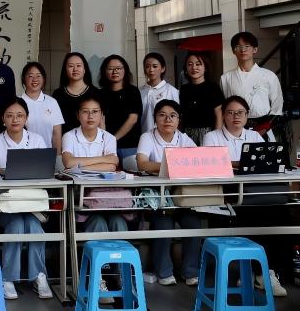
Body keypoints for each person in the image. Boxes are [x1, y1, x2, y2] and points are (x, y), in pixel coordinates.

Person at [202, 96, 287, 297]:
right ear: (223, 115)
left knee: (278, 216)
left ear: (247, 115)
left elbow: (265, 163)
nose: (236, 116)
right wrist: (240, 163)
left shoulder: (254, 136)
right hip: (227, 192)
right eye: (230, 113)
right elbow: (213, 164)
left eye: (240, 112)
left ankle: (265, 272)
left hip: (254, 191)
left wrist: (234, 162)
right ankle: (252, 272)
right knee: (251, 217)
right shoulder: (212, 137)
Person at [0, 98, 53, 300]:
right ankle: (8, 278)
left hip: (31, 202)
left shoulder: (37, 140)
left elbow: (46, 168)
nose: (15, 119)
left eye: (20, 115)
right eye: (10, 115)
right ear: (3, 119)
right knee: (16, 224)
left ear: (26, 118)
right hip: (4, 203)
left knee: (34, 226)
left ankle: (38, 276)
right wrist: (6, 171)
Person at [61, 94, 125, 302]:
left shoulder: (109, 138)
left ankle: (121, 276)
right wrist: (103, 160)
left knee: (119, 223)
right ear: (78, 115)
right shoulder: (70, 136)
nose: (90, 116)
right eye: (85, 112)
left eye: (95, 112)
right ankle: (98, 278)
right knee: (97, 223)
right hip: (81, 202)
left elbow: (112, 166)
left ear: (101, 115)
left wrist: (83, 163)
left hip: (109, 200)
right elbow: (69, 163)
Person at [136, 100, 200, 286]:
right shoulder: (147, 137)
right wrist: (176, 164)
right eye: (162, 115)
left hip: (182, 196)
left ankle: (190, 272)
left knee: (193, 224)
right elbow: (142, 163)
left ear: (179, 120)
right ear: (155, 118)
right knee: (163, 224)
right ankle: (164, 272)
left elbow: (197, 161)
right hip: (156, 198)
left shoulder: (184, 138)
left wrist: (168, 166)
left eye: (173, 116)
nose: (167, 119)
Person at [220, 31, 283, 140]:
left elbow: (277, 106)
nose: (243, 50)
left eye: (247, 46)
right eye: (238, 46)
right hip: (237, 128)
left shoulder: (268, 75)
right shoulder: (226, 78)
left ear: (255, 49)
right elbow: (226, 105)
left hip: (264, 127)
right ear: (233, 51)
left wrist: (264, 128)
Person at [98, 55, 142, 160]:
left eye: (118, 68)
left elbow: (133, 119)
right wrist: (106, 140)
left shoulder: (133, 91)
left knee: (131, 170)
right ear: (104, 72)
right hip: (105, 145)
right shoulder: (100, 93)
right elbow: (99, 118)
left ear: (125, 70)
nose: (115, 72)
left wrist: (113, 139)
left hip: (129, 145)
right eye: (110, 69)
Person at [179, 52, 224, 145]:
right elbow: (181, 116)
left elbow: (219, 115)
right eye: (190, 64)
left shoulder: (213, 87)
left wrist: (216, 136)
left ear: (205, 68)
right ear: (186, 69)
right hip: (187, 134)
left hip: (208, 133)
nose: (194, 67)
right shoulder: (184, 89)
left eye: (198, 64)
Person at [52, 52, 100, 134]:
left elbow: (100, 121)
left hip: (90, 140)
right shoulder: (58, 94)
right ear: (65, 70)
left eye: (78, 65)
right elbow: (55, 123)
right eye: (71, 66)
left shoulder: (96, 93)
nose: (75, 69)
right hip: (64, 139)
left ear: (84, 69)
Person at [20, 62, 64, 150]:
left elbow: (56, 133)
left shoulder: (52, 102)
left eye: (38, 76)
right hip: (23, 153)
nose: (35, 79)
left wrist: (57, 155)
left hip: (47, 153)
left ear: (43, 79)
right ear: (24, 79)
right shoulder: (17, 102)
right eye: (30, 76)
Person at [138, 53, 179, 135]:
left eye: (155, 66)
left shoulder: (171, 91)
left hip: (164, 136)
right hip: (142, 135)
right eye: (147, 66)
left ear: (163, 69)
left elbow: (176, 116)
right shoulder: (139, 91)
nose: (151, 70)